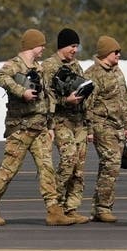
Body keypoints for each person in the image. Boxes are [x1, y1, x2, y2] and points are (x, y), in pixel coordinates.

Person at [0, 28, 76, 226]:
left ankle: (53, 210)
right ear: (33, 45)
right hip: (21, 127)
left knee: (47, 168)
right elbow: (1, 78)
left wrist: (49, 125)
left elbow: (46, 97)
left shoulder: (38, 68)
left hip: (39, 127)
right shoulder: (14, 65)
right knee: (9, 169)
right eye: (41, 45)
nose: (43, 49)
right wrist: (21, 91)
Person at [84, 35, 127, 223]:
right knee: (111, 162)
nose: (119, 55)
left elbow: (124, 100)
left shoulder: (117, 71)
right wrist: (90, 129)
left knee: (111, 165)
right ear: (106, 52)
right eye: (116, 52)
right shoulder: (93, 73)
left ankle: (100, 207)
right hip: (101, 124)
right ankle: (102, 208)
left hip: (117, 126)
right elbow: (87, 104)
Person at [42, 27, 91, 224]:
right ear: (63, 46)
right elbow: (46, 98)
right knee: (68, 161)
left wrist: (89, 125)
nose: (75, 50)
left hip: (78, 122)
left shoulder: (77, 66)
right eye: (72, 46)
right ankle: (56, 208)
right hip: (60, 122)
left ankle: (71, 208)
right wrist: (65, 102)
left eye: (76, 47)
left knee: (79, 168)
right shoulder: (47, 66)